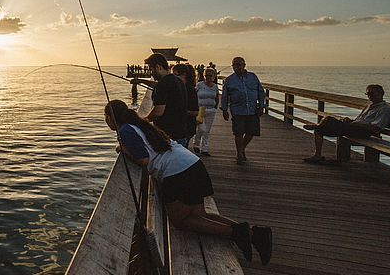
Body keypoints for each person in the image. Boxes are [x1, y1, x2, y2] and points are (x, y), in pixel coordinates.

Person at [104, 100, 272, 264]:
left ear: (111, 118)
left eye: (106, 117)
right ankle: (255, 235)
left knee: (181, 221)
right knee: (199, 216)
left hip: (177, 174)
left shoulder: (125, 130)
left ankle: (236, 233)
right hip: (192, 165)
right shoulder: (138, 124)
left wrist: (123, 149)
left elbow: (144, 160)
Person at [302, 84, 390, 163]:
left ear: (381, 94)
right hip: (354, 128)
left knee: (329, 119)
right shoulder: (369, 106)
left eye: (371, 93)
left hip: (364, 132)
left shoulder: (385, 109)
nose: (369, 96)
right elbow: (359, 120)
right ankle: (317, 154)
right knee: (321, 128)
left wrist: (354, 124)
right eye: (367, 94)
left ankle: (317, 126)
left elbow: (375, 128)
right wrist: (351, 121)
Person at [220, 57, 265, 165]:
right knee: (238, 132)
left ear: (244, 65)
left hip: (252, 109)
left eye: (238, 65)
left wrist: (261, 106)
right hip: (237, 110)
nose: (236, 67)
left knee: (251, 132)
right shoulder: (229, 80)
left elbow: (261, 92)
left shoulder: (253, 77)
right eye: (234, 65)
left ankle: (241, 148)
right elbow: (225, 96)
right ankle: (240, 154)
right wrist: (224, 110)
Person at [144, 52, 188, 145]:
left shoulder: (163, 84)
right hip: (181, 133)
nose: (151, 74)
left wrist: (145, 120)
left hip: (168, 136)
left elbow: (158, 112)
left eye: (151, 70)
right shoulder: (178, 81)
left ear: (158, 67)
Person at [172, 63, 199, 151]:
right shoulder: (177, 87)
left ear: (184, 75)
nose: (173, 78)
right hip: (179, 127)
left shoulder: (190, 90)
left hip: (187, 127)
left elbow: (196, 112)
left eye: (175, 75)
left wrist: (181, 111)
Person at [194, 66, 219, 156]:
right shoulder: (199, 85)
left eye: (210, 75)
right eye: (206, 75)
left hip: (211, 110)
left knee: (207, 130)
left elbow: (216, 98)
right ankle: (196, 143)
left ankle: (204, 148)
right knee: (202, 129)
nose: (208, 77)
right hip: (201, 109)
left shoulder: (215, 87)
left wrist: (216, 107)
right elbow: (194, 95)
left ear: (214, 76)